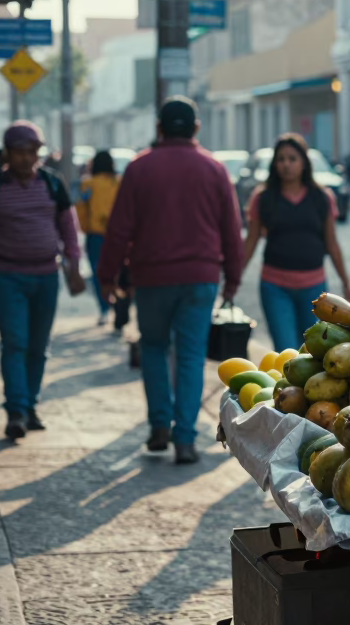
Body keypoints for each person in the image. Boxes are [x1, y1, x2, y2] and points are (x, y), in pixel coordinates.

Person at [96, 97, 243, 464]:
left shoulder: (139, 167)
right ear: (195, 128)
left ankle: (159, 425)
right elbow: (231, 230)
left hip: (152, 279)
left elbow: (118, 230)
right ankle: (186, 439)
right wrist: (233, 279)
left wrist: (106, 275)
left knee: (154, 348)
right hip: (200, 278)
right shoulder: (214, 168)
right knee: (191, 356)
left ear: (159, 128)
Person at [0, 121, 87, 440]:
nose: (26, 158)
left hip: (47, 276)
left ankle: (31, 405)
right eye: (20, 152)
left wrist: (74, 267)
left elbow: (68, 228)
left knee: (38, 346)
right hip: (7, 277)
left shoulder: (52, 183)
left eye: (32, 152)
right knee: (14, 343)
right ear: (8, 153)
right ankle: (16, 410)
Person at [242, 133, 350, 351]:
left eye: (292, 159)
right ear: (275, 164)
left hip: (314, 289)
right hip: (275, 288)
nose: (286, 164)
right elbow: (250, 242)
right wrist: (233, 281)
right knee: (286, 353)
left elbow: (332, 244)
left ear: (304, 163)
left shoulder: (322, 197)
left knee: (313, 352)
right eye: (281, 159)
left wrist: (346, 284)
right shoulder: (263, 198)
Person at [78, 151, 127, 328]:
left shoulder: (87, 184)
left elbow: (81, 209)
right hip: (120, 235)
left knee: (99, 273)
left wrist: (86, 227)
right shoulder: (119, 182)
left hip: (96, 235)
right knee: (120, 272)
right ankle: (121, 307)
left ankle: (104, 309)